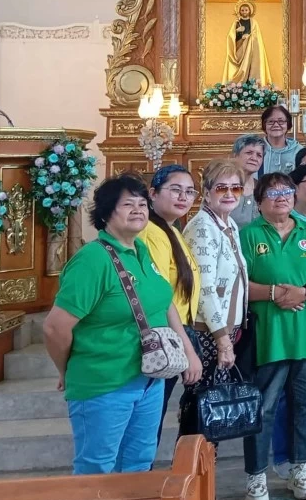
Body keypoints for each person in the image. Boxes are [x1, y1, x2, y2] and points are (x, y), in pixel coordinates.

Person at [44, 175, 202, 475]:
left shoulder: (142, 251)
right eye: (127, 204)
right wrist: (66, 369)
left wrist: (187, 350)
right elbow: (55, 328)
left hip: (148, 379)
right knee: (97, 467)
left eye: (142, 204)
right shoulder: (93, 259)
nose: (138, 210)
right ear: (105, 213)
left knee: (139, 464)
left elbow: (164, 301)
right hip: (104, 381)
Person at [240, 172, 306, 500]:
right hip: (269, 335)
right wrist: (275, 292)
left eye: (287, 191)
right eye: (273, 192)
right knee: (263, 409)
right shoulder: (248, 235)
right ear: (260, 199)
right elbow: (238, 285)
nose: (281, 197)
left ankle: (299, 467)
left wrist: (305, 292)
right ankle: (256, 476)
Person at [181, 159, 250, 460]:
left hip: (222, 330)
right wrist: (223, 339)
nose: (229, 193)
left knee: (212, 415)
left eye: (235, 187)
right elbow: (205, 287)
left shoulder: (227, 223)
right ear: (206, 191)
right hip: (208, 333)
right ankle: (194, 489)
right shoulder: (202, 227)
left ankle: (204, 490)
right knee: (203, 412)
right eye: (221, 187)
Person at [141, 165, 202, 447]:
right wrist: (187, 348)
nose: (183, 197)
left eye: (189, 191)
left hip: (179, 332)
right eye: (175, 190)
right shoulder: (151, 233)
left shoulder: (171, 229)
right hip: (165, 335)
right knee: (150, 418)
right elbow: (161, 295)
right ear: (153, 193)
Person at [231, 134, 265, 228]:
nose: (254, 158)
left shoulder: (263, 188)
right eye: (249, 153)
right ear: (235, 155)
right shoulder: (222, 187)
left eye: (259, 155)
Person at [260, 105, 302, 176]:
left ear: (288, 124)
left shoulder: (298, 151)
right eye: (271, 121)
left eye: (281, 121)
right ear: (264, 125)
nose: (276, 125)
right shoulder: (257, 149)